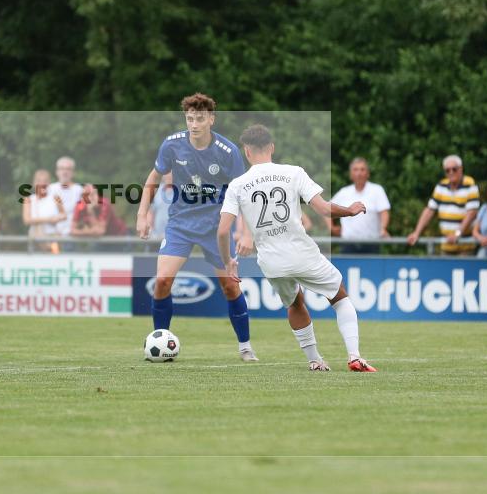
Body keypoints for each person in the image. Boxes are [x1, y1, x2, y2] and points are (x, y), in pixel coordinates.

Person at [217, 124, 377, 372]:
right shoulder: (293, 172)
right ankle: (354, 356)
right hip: (301, 252)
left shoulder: (238, 185)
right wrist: (350, 210)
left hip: (271, 261)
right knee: (339, 296)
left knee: (294, 304)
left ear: (246, 151)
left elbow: (223, 230)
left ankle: (315, 361)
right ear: (271, 147)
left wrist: (228, 261)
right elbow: (323, 209)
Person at [136, 93, 257, 362]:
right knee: (163, 281)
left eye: (200, 119)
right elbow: (154, 177)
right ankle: (162, 343)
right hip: (180, 223)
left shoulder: (228, 152)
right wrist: (142, 213)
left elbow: (243, 193)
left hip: (216, 228)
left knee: (230, 287)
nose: (194, 124)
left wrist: (245, 232)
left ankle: (245, 347)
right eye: (190, 118)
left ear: (211, 120)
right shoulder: (172, 145)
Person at [407, 155, 480, 254]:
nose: (451, 172)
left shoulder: (470, 184)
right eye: (447, 170)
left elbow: (472, 212)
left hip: (465, 245)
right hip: (446, 244)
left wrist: (457, 234)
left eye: (454, 169)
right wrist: (416, 233)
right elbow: (429, 210)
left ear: (461, 169)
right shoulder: (441, 186)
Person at [324, 157, 391, 253]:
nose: (359, 173)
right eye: (355, 170)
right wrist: (331, 228)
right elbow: (327, 209)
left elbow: (384, 212)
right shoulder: (344, 192)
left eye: (362, 169)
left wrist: (383, 228)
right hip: (348, 246)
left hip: (371, 245)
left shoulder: (377, 190)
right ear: (351, 174)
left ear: (368, 173)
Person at [22, 169, 66, 253]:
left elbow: (64, 215)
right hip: (36, 239)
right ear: (34, 183)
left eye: (45, 181)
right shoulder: (29, 199)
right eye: (39, 181)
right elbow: (27, 220)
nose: (42, 184)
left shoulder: (55, 197)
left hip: (53, 239)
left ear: (49, 183)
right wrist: (49, 219)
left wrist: (58, 218)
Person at [48, 157, 83, 237]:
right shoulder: (50, 189)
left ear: (73, 172)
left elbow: (84, 215)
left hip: (73, 237)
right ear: (57, 172)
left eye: (68, 169)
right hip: (51, 236)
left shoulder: (80, 190)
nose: (65, 172)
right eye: (62, 168)